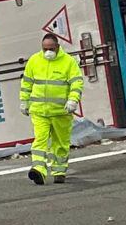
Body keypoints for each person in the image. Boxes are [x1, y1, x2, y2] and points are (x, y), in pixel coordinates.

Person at [19, 32, 84, 185]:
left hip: (61, 111)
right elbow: (26, 83)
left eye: (51, 48)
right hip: (39, 111)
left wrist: (73, 100)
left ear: (58, 47)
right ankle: (38, 170)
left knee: (60, 143)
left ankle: (59, 170)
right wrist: (24, 102)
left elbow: (76, 83)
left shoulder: (68, 62)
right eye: (45, 48)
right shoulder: (35, 61)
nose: (48, 52)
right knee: (40, 141)